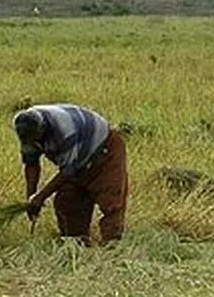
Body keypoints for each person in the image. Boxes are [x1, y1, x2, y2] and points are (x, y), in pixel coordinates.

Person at [15, 103, 129, 245]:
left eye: (36, 139)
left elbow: (67, 172)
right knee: (67, 202)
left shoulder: (64, 130)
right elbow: (31, 165)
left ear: (43, 129)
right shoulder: (26, 129)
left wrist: (40, 197)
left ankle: (112, 246)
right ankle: (77, 243)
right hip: (78, 159)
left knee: (110, 199)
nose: (34, 143)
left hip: (104, 151)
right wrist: (31, 198)